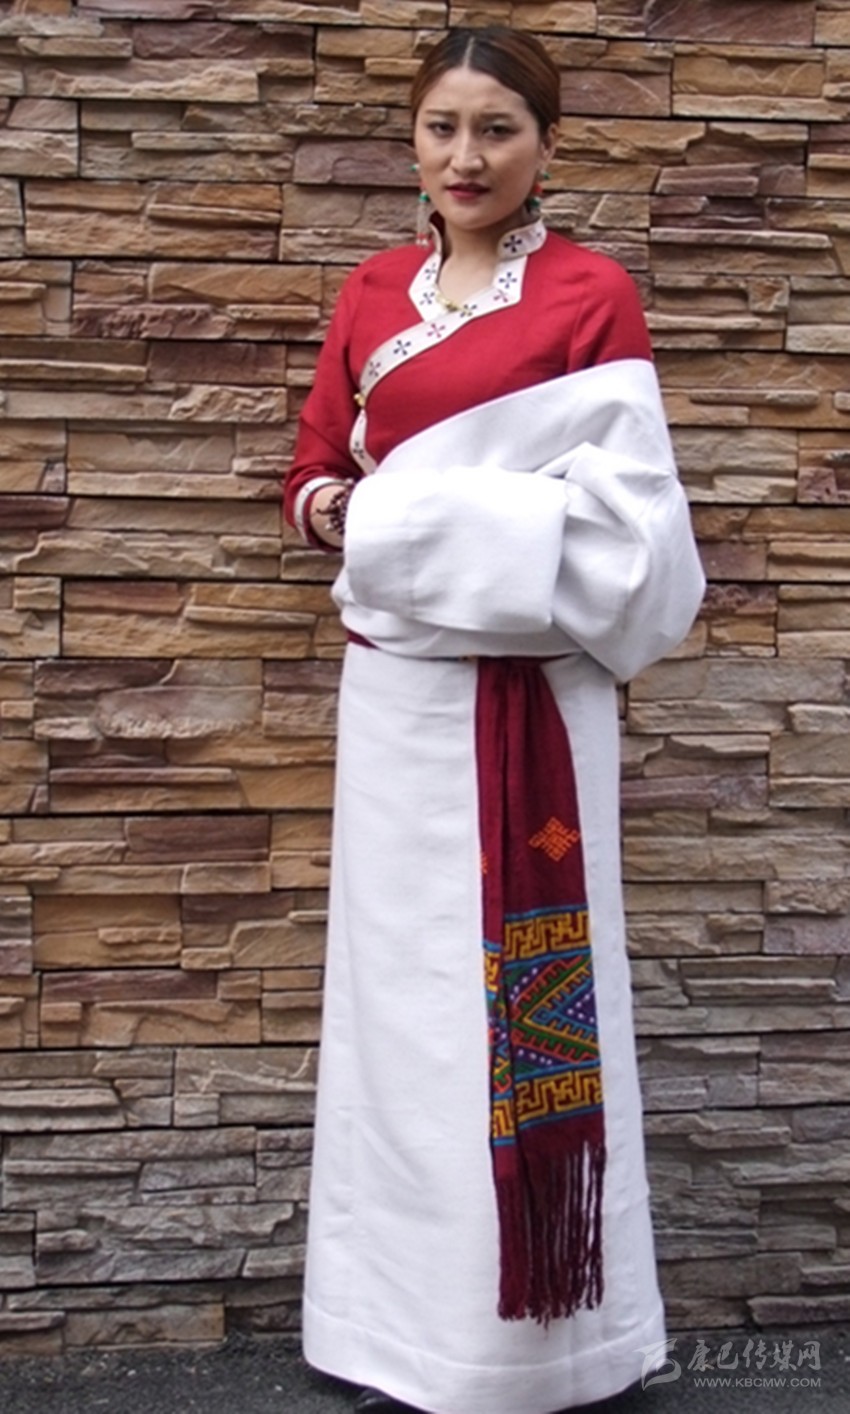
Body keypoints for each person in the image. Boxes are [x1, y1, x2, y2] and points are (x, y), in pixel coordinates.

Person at [284, 25, 704, 1414]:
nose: (465, 158)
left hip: (535, 701)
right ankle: (394, 1335)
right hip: (396, 703)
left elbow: (634, 530)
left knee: (517, 998)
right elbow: (315, 470)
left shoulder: (589, 296)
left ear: (545, 143)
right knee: (400, 1011)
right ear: (412, 137)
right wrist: (354, 514)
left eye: (497, 129)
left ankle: (545, 1348)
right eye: (442, 127)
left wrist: (424, 523)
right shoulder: (369, 293)